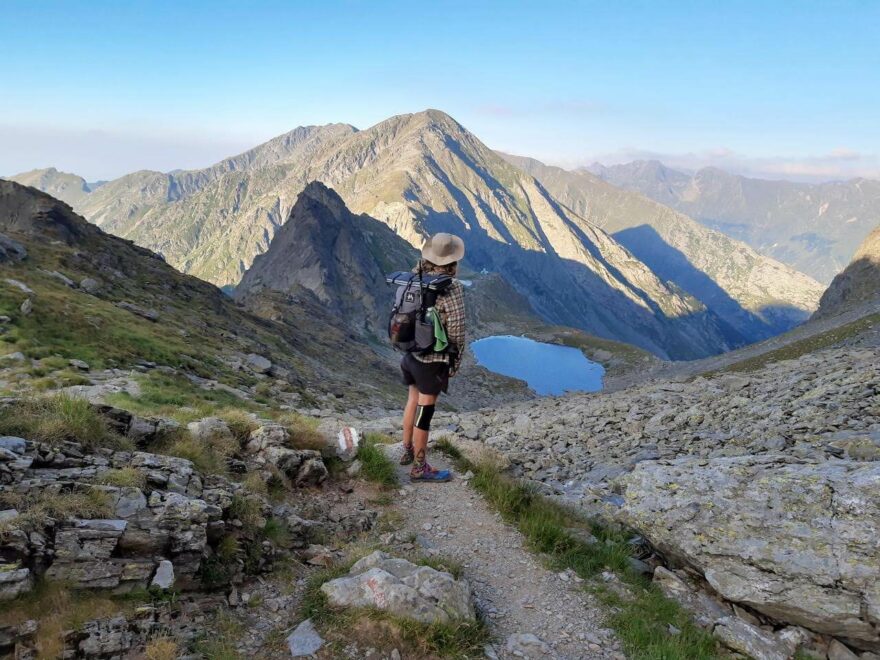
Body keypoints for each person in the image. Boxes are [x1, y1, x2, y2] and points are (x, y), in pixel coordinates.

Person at [399, 232, 466, 482]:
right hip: (432, 359)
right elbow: (457, 330)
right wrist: (454, 363)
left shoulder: (415, 276)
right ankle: (419, 467)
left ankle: (406, 450)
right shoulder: (451, 287)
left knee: (412, 400)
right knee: (425, 413)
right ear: (453, 262)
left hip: (410, 354)